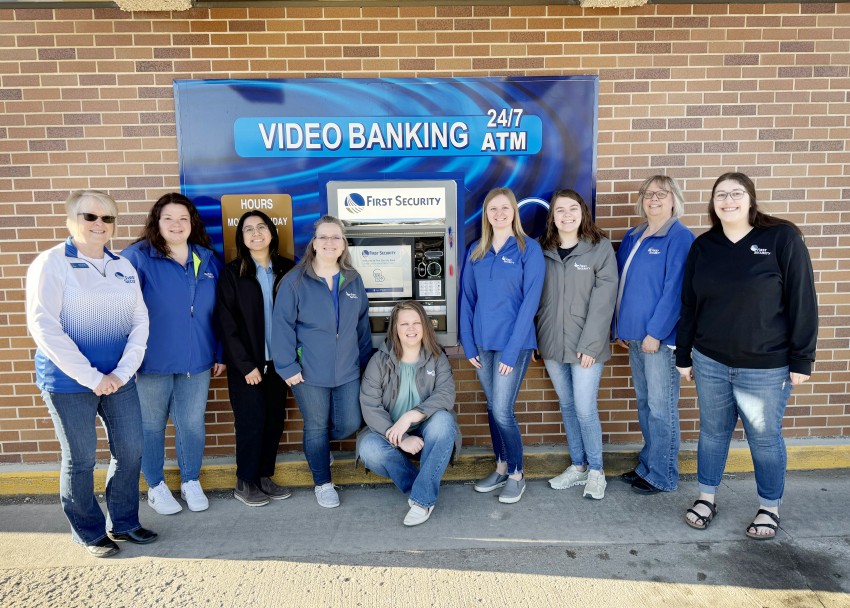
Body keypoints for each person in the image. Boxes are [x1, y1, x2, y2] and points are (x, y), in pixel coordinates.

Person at [676, 172, 817, 540]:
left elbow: (803, 300)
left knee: (765, 438)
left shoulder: (781, 238)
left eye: (736, 193)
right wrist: (685, 354)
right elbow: (690, 304)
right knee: (712, 433)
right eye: (721, 195)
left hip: (766, 367)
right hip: (711, 361)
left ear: (750, 199)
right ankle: (707, 498)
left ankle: (769, 506)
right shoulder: (704, 246)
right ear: (712, 203)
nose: (728, 201)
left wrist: (802, 359)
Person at [25, 190, 156, 558]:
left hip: (119, 380)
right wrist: (93, 377)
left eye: (108, 218)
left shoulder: (122, 265)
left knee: (131, 450)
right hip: (69, 383)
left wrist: (123, 371)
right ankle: (87, 530)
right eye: (90, 217)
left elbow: (139, 320)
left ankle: (125, 522)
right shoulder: (51, 263)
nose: (100, 224)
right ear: (72, 220)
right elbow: (44, 327)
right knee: (81, 458)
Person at [123, 193, 224, 516]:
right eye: (168, 218)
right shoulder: (137, 258)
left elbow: (221, 312)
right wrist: (128, 358)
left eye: (183, 218)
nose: (176, 225)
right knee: (151, 426)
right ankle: (155, 485)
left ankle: (191, 480)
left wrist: (220, 351)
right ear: (157, 222)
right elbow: (121, 312)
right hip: (151, 363)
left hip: (197, 362)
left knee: (192, 424)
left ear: (192, 222)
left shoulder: (207, 258)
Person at [272, 215, 372, 509]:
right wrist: (288, 366)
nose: (330, 242)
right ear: (314, 243)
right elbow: (281, 326)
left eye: (336, 237)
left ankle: (318, 449)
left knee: (350, 422)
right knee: (315, 427)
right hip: (308, 372)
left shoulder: (353, 279)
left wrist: (366, 365)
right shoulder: (295, 280)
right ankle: (323, 483)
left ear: (344, 244)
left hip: (349, 370)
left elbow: (362, 326)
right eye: (324, 237)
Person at [459, 187, 545, 504]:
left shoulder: (528, 249)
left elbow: (530, 303)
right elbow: (467, 300)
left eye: (505, 207)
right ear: (486, 214)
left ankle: (517, 474)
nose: (499, 213)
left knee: (502, 410)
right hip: (482, 344)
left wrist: (512, 351)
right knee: (493, 408)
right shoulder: (476, 250)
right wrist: (468, 345)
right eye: (492, 208)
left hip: (514, 344)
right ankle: (500, 466)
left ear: (514, 211)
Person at [613, 175, 695, 495]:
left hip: (658, 340)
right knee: (646, 404)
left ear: (674, 199)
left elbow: (676, 290)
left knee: (662, 409)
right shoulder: (634, 236)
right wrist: (620, 328)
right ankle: (648, 464)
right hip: (635, 336)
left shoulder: (679, 237)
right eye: (648, 194)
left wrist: (655, 333)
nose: (654, 199)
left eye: (662, 194)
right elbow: (622, 287)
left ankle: (663, 474)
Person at [536, 190, 618, 500]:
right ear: (552, 216)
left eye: (573, 208)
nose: (566, 215)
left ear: (582, 212)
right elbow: (535, 298)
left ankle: (597, 471)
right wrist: (536, 338)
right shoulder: (543, 250)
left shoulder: (599, 249)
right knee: (568, 407)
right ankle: (579, 466)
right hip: (552, 345)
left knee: (585, 409)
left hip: (587, 346)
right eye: (560, 210)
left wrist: (592, 345)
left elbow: (604, 301)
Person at [216, 211, 294, 507]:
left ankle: (264, 477)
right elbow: (227, 323)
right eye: (248, 229)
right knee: (251, 422)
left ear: (272, 233)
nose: (256, 233)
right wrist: (246, 364)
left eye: (261, 227)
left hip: (280, 364)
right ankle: (244, 481)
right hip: (247, 366)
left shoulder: (287, 269)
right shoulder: (232, 273)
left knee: (273, 421)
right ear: (242, 238)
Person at [358, 301, 460, 526]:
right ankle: (422, 486)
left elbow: (445, 395)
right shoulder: (379, 361)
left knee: (444, 422)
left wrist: (410, 416)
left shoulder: (436, 357)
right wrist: (401, 437)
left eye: (416, 322)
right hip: (390, 432)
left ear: (424, 326)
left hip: (426, 429)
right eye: (404, 323)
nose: (411, 328)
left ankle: (422, 501)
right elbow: (370, 405)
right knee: (368, 449)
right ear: (395, 328)